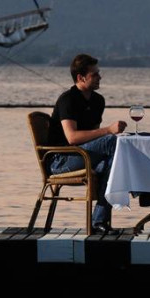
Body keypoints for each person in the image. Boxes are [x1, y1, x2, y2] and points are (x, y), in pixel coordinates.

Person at [47, 54, 127, 233]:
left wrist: (107, 134)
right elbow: (72, 138)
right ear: (81, 77)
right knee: (112, 141)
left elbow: (94, 138)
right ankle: (138, 190)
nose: (100, 77)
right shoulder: (68, 99)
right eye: (95, 74)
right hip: (60, 160)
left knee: (113, 164)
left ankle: (99, 221)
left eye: (99, 73)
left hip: (83, 155)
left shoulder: (98, 101)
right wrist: (108, 130)